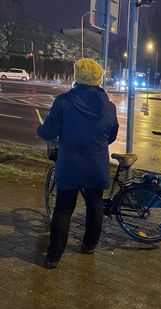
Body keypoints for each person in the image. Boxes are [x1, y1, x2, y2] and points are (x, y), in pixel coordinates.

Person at [37, 58, 119, 269]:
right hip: (96, 165)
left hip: (70, 165)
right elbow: (111, 135)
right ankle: (89, 245)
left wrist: (42, 130)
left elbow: (48, 131)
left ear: (76, 77)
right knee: (94, 206)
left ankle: (54, 256)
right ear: (99, 79)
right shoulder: (108, 106)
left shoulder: (63, 101)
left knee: (64, 209)